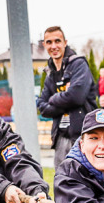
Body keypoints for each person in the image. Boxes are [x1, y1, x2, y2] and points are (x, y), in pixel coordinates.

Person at [37, 26, 97, 173]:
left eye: (57, 41)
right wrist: (65, 99)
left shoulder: (78, 64)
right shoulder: (50, 72)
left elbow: (76, 97)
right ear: (44, 45)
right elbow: (42, 106)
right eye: (49, 42)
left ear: (65, 42)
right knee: (62, 184)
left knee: (86, 184)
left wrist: (54, 98)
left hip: (82, 136)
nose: (54, 46)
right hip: (60, 138)